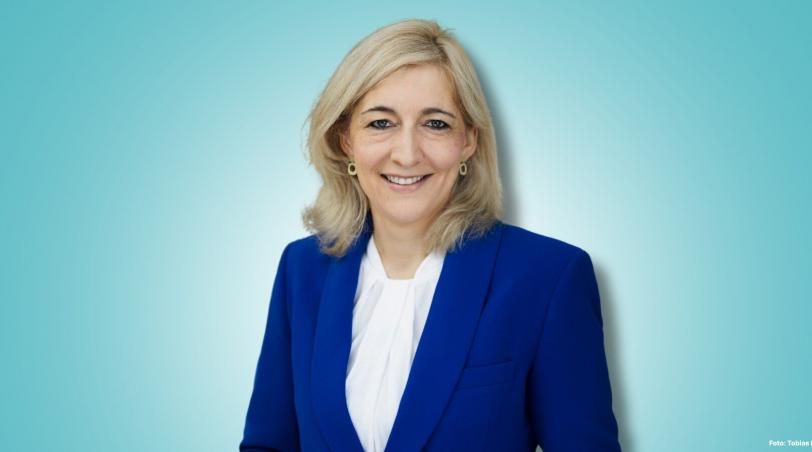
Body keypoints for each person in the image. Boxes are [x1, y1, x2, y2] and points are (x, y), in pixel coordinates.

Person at [240, 18, 621, 452]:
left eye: (436, 124)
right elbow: (268, 444)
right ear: (346, 140)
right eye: (380, 123)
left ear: (468, 141)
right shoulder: (303, 269)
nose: (406, 154)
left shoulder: (548, 277)